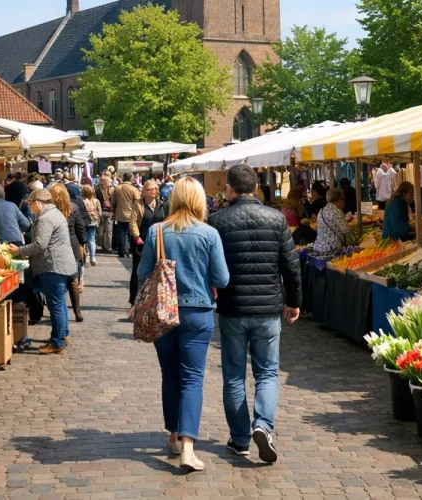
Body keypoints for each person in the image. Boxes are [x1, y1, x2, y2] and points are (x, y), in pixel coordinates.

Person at [208, 164, 301, 464]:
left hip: (233, 309)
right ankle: (263, 424)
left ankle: (239, 439)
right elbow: (291, 265)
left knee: (234, 376)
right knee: (268, 372)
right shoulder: (275, 219)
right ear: (256, 186)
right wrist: (294, 302)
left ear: (230, 189)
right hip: (267, 309)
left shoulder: (218, 221)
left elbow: (213, 268)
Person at [138, 177, 229, 472]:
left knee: (170, 374)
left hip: (163, 312)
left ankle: (174, 436)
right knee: (193, 378)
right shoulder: (209, 233)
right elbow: (222, 279)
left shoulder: (157, 231)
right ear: (200, 200)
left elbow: (142, 272)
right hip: (198, 312)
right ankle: (189, 447)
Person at [7, 190, 76, 355]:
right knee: (59, 303)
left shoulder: (46, 218)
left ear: (38, 203)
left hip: (53, 266)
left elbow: (40, 245)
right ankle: (60, 335)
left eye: (31, 204)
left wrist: (19, 250)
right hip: (59, 264)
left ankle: (58, 342)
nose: (30, 207)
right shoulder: (55, 213)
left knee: (55, 305)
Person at [49, 183, 85, 323]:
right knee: (72, 280)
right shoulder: (74, 208)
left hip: (57, 245)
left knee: (59, 279)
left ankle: (61, 310)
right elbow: (81, 229)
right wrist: (83, 244)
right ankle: (77, 310)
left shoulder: (51, 211)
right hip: (72, 243)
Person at [129, 180, 169, 305]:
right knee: (138, 272)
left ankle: (155, 301)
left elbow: (167, 220)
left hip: (158, 242)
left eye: (155, 189)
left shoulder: (161, 205)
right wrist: (136, 236)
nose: (153, 191)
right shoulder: (138, 204)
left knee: (158, 271)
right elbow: (133, 222)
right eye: (150, 189)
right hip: (142, 242)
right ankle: (135, 301)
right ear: (144, 192)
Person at [312, 188, 352, 256]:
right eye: (343, 199)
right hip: (332, 249)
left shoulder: (321, 211)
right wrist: (353, 228)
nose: (344, 202)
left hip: (318, 248)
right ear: (338, 199)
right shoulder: (337, 212)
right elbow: (346, 230)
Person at [112, 172, 140, 258]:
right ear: (131, 178)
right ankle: (129, 250)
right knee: (131, 233)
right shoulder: (134, 189)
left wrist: (113, 209)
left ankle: (122, 251)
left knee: (122, 233)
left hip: (120, 213)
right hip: (131, 213)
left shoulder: (117, 188)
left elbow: (113, 201)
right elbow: (138, 202)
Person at [81, 185, 101, 266]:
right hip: (93, 222)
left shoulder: (82, 201)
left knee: (83, 239)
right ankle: (92, 257)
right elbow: (100, 213)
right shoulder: (96, 201)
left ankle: (84, 257)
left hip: (84, 222)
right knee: (92, 239)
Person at [95, 174, 115, 253]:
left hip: (100, 211)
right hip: (109, 211)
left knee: (100, 229)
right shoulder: (111, 189)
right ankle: (108, 247)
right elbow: (114, 200)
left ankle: (100, 245)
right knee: (109, 231)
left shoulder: (96, 189)